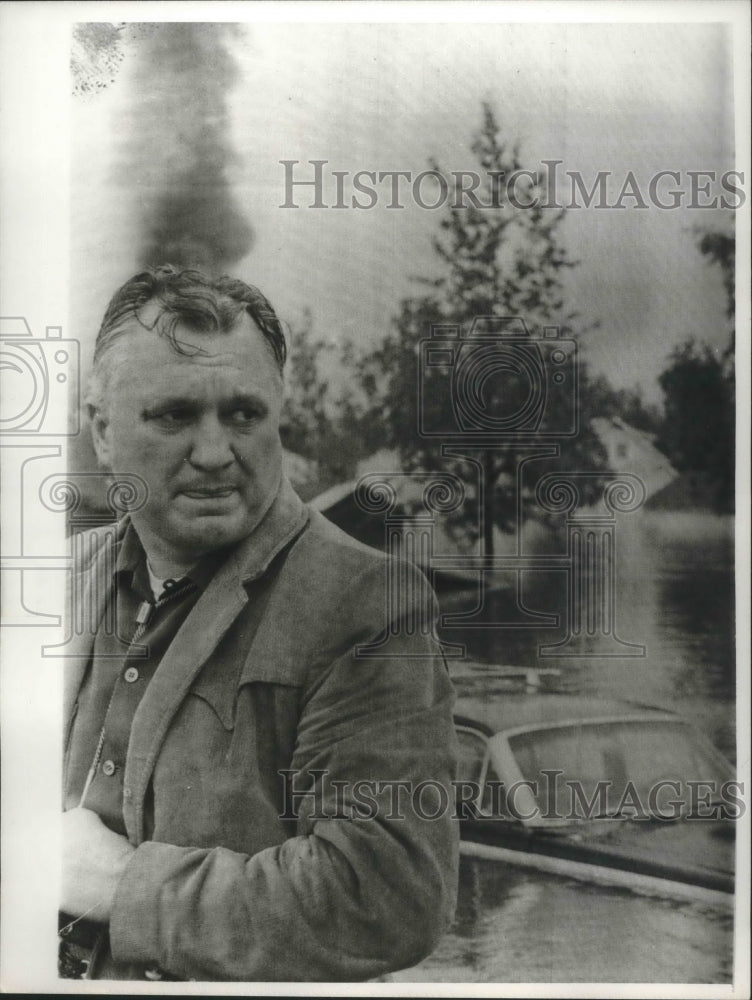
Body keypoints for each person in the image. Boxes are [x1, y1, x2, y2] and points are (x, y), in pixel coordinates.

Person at [60, 265, 459, 982]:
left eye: (243, 415)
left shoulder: (370, 604)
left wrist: (125, 889)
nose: (215, 453)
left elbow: (386, 894)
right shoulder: (58, 579)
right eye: (174, 415)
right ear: (102, 433)